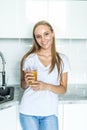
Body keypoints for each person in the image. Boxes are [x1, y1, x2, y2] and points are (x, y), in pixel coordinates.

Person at [19, 20, 70, 130]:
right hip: (28, 112)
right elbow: (23, 85)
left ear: (52, 34)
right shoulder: (29, 58)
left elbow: (63, 89)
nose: (43, 39)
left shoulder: (62, 60)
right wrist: (26, 82)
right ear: (35, 39)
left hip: (49, 113)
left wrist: (45, 86)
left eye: (46, 34)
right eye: (38, 36)